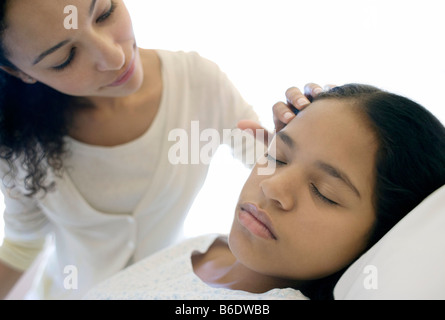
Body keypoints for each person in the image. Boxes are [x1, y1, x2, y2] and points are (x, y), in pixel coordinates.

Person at [0, 0, 305, 299]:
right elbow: (22, 244)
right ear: (20, 72)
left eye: (105, 13)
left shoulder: (198, 85)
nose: (115, 57)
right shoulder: (17, 142)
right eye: (65, 58)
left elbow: (267, 166)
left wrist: (303, 138)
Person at [83, 84, 445, 300]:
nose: (272, 187)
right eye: (278, 157)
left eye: (324, 192)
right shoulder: (208, 247)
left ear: (380, 237)